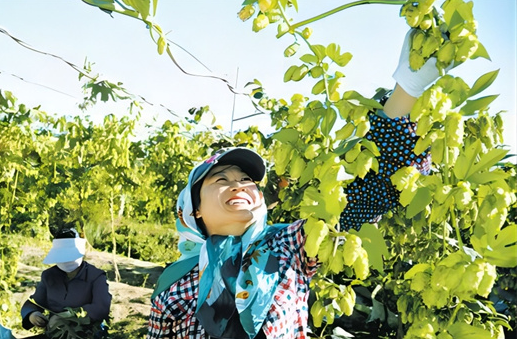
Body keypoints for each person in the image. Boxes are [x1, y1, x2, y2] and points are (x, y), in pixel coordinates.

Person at [147, 29, 447, 339]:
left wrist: (406, 91)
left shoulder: (286, 248)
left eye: (247, 180)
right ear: (193, 211)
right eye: (221, 180)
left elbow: (358, 196)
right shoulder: (173, 284)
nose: (238, 185)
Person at [20, 228, 112, 339]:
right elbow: (35, 302)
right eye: (62, 257)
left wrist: (69, 315)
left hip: (87, 334)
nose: (66, 261)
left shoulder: (95, 276)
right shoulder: (49, 276)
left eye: (69, 257)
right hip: (56, 334)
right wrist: (32, 315)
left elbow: (101, 308)